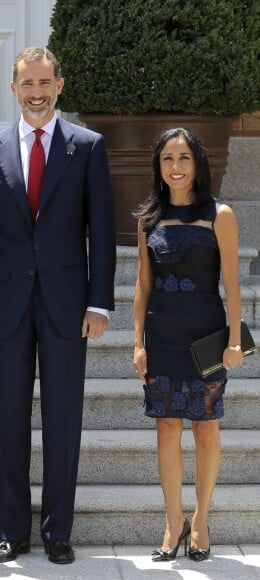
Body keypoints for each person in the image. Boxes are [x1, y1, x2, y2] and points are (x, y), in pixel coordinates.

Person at [0, 47, 116, 565]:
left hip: (69, 306)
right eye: (27, 83)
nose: (36, 92)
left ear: (60, 85)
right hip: (3, 308)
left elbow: (101, 233)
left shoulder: (88, 147)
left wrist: (99, 303)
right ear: (13, 88)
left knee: (64, 419)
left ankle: (57, 532)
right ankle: (12, 531)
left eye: (44, 82)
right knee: (8, 419)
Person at [133, 127, 244, 562]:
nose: (175, 167)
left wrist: (235, 341)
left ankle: (201, 520)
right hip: (161, 334)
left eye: (183, 158)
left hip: (206, 336)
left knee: (205, 428)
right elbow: (143, 286)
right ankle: (172, 520)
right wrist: (137, 342)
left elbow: (233, 284)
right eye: (167, 159)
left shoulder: (222, 214)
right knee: (165, 427)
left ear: (198, 164)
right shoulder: (148, 219)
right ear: (158, 167)